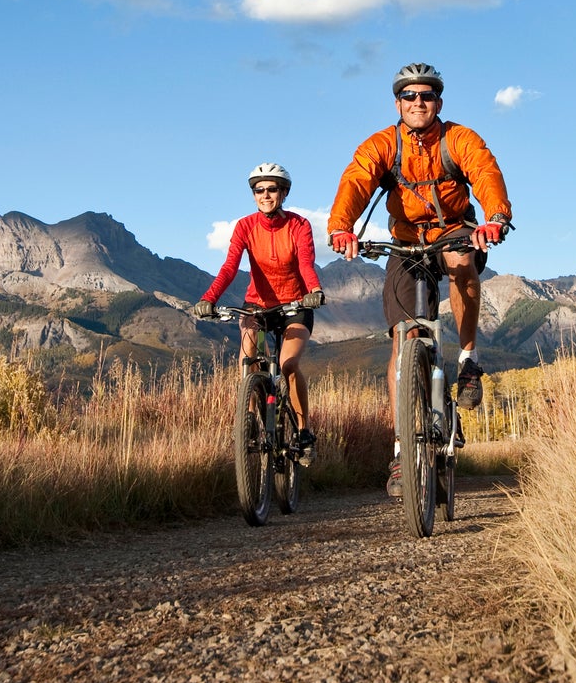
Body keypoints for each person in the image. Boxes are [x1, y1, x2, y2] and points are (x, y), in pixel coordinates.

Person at [326, 62, 512, 497]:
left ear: (439, 102)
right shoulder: (383, 144)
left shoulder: (459, 139)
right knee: (402, 341)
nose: (418, 102)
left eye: (426, 95)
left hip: (454, 230)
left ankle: (467, 361)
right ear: (398, 103)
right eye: (409, 96)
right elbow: (356, 179)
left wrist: (496, 218)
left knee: (461, 262)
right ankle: (401, 451)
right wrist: (341, 226)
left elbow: (485, 172)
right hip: (407, 241)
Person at [193, 164, 324, 456]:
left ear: (284, 192)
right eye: (259, 190)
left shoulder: (299, 225)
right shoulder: (245, 226)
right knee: (248, 357)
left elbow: (305, 262)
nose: (265, 195)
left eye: (272, 189)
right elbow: (229, 267)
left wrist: (314, 291)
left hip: (296, 303)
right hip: (258, 304)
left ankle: (303, 432)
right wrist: (209, 298)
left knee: (289, 364)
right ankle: (250, 420)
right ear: (253, 195)